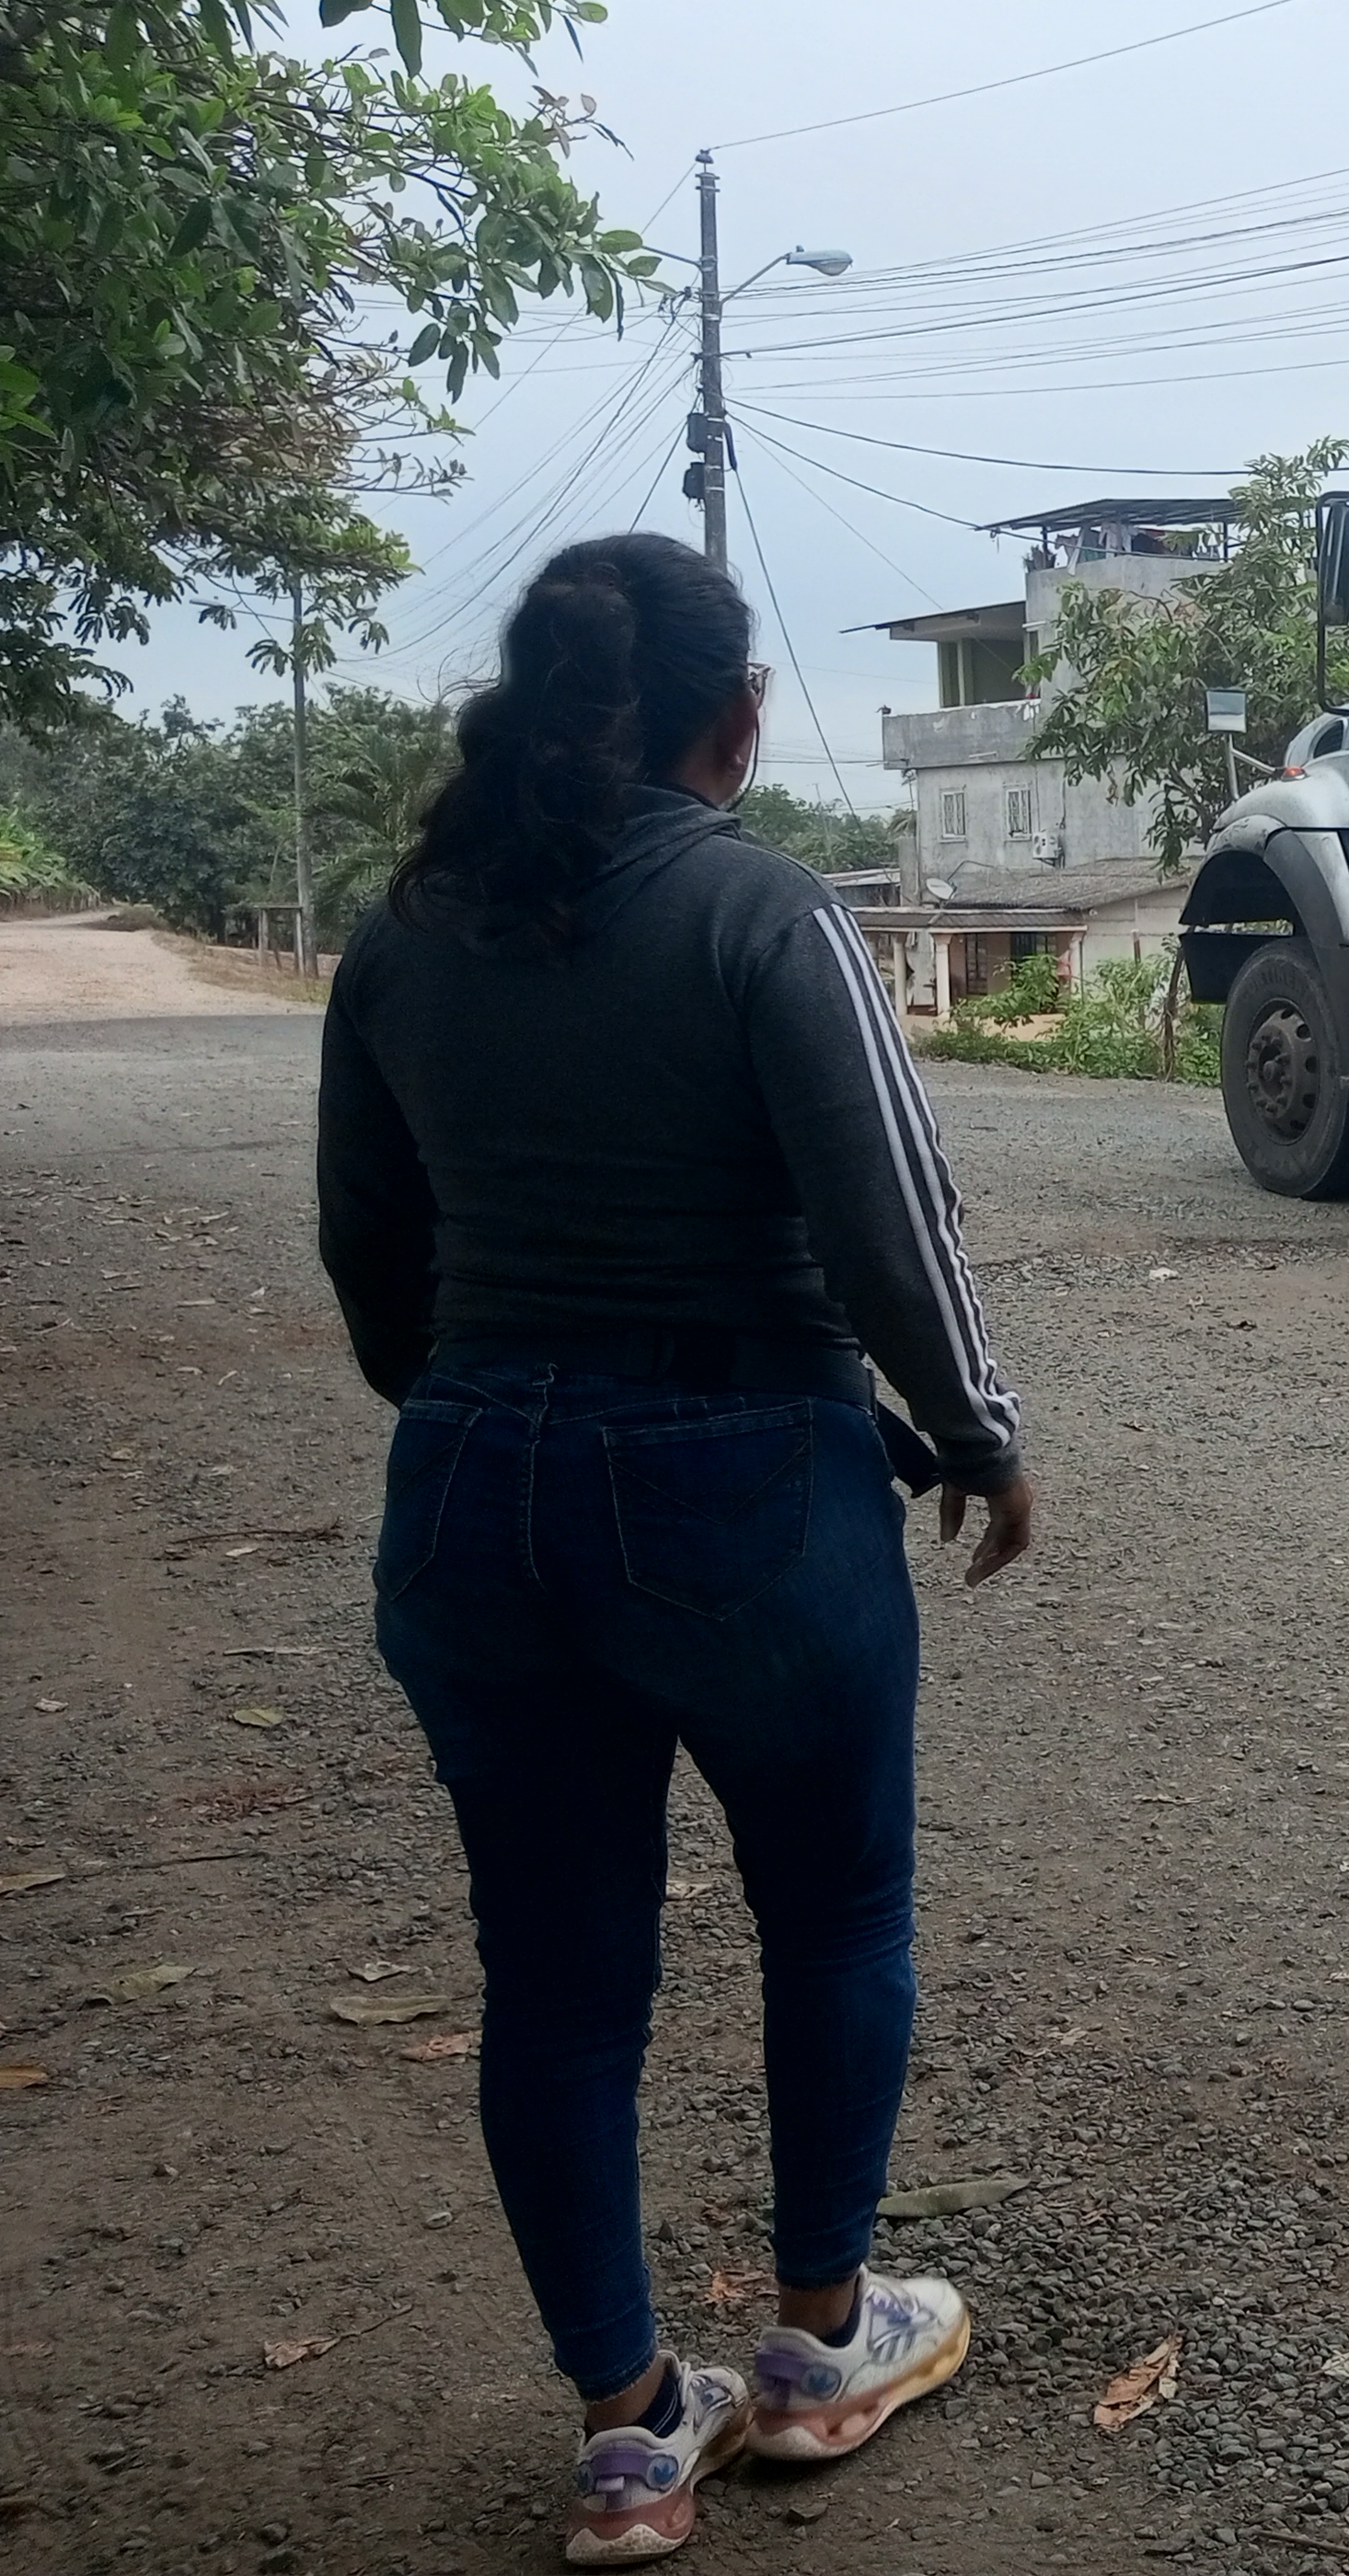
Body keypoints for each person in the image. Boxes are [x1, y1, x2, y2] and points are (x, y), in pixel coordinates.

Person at [317, 533, 1039, 2566]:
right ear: (738, 715)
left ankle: (631, 2437)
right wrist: (977, 1433)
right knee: (834, 1911)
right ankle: (820, 2344)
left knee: (555, 1980)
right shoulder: (762, 909)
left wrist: (486, 1403)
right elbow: (889, 1216)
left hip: (474, 1484)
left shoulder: (403, 934)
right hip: (745, 1480)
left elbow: (369, 1252)